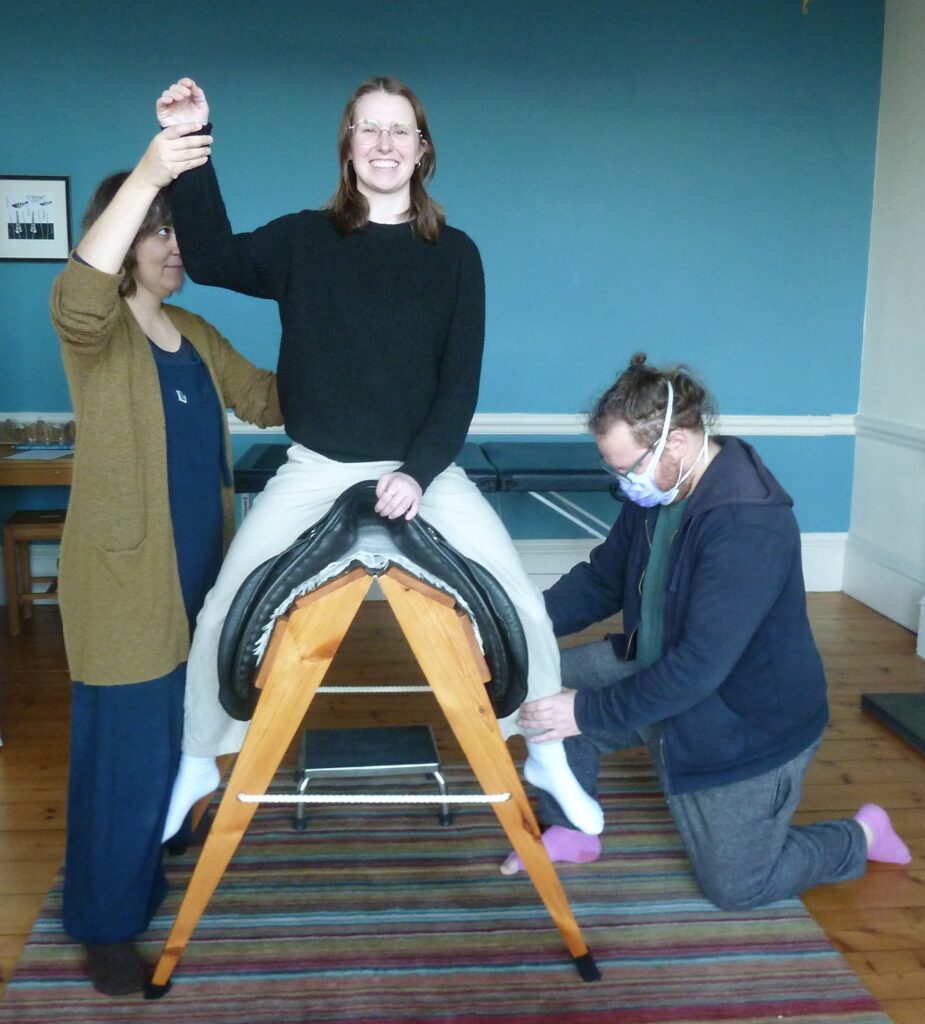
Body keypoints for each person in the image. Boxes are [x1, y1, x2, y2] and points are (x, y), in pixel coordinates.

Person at [152, 76, 604, 842]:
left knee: (524, 606)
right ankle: (201, 758)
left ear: (421, 150)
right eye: (369, 129)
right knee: (223, 608)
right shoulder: (301, 240)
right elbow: (210, 255)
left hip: (423, 468)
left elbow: (458, 386)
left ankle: (544, 753)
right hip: (317, 464)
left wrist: (416, 474)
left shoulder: (456, 256)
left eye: (400, 130)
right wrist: (193, 140)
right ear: (349, 145)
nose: (385, 143)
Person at [503, 354, 911, 904]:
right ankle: (574, 833)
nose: (624, 482)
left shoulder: (749, 524)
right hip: (660, 668)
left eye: (628, 468)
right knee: (539, 682)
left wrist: (584, 712)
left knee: (738, 887)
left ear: (674, 443)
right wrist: (517, 625)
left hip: (743, 721)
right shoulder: (661, 492)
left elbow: (698, 670)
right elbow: (602, 579)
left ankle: (861, 835)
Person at [49, 129, 283, 994]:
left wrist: (348, 342)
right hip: (122, 586)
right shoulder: (99, 335)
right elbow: (75, 296)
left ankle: (154, 843)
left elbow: (264, 397)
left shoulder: (189, 330)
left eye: (177, 230)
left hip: (198, 579)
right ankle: (104, 923)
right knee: (124, 753)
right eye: (156, 230)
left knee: (180, 733)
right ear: (120, 237)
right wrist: (148, 172)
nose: (174, 245)